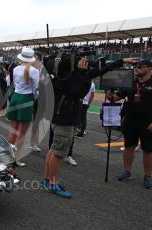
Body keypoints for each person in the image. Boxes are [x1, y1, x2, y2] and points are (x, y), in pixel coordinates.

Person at [42, 55, 138, 198]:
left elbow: (102, 69)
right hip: (64, 119)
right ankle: (52, 182)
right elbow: (79, 92)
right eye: (83, 61)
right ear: (74, 64)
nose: (87, 63)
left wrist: (121, 61)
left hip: (60, 117)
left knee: (54, 149)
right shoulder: (68, 78)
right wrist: (86, 77)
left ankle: (47, 179)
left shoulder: (70, 74)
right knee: (58, 153)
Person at [107, 59, 152, 190]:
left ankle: (148, 176)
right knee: (128, 146)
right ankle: (127, 172)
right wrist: (111, 96)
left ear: (149, 68)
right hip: (130, 121)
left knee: (148, 150)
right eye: (135, 66)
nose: (136, 68)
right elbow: (116, 98)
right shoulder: (130, 82)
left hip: (149, 122)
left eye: (139, 66)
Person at [6, 47, 39, 166]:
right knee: (22, 132)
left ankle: (8, 155)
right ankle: (16, 158)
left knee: (13, 129)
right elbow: (35, 89)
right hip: (26, 98)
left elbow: (14, 84)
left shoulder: (15, 68)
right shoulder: (34, 71)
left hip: (15, 96)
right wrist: (34, 98)